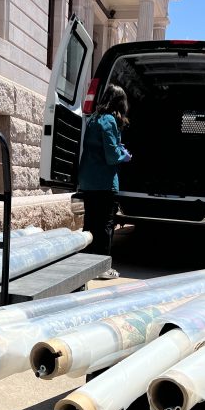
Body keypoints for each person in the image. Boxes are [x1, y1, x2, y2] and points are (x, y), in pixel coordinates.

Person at [77, 84, 132, 280]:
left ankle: (85, 265)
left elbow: (97, 148)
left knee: (90, 223)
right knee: (106, 226)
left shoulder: (94, 119)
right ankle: (102, 268)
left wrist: (116, 147)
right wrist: (123, 156)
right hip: (104, 183)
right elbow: (111, 156)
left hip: (88, 181)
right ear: (120, 103)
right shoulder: (109, 120)